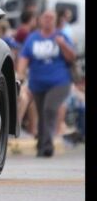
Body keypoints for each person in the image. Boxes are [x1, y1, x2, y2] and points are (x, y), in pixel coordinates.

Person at [16, 9, 76, 157]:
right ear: (40, 20)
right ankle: (41, 145)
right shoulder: (32, 38)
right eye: (46, 17)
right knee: (42, 113)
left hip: (59, 82)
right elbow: (24, 57)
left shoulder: (61, 36)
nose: (48, 20)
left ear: (55, 20)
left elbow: (72, 58)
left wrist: (62, 45)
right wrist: (20, 74)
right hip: (38, 84)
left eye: (51, 17)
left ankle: (47, 145)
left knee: (49, 109)